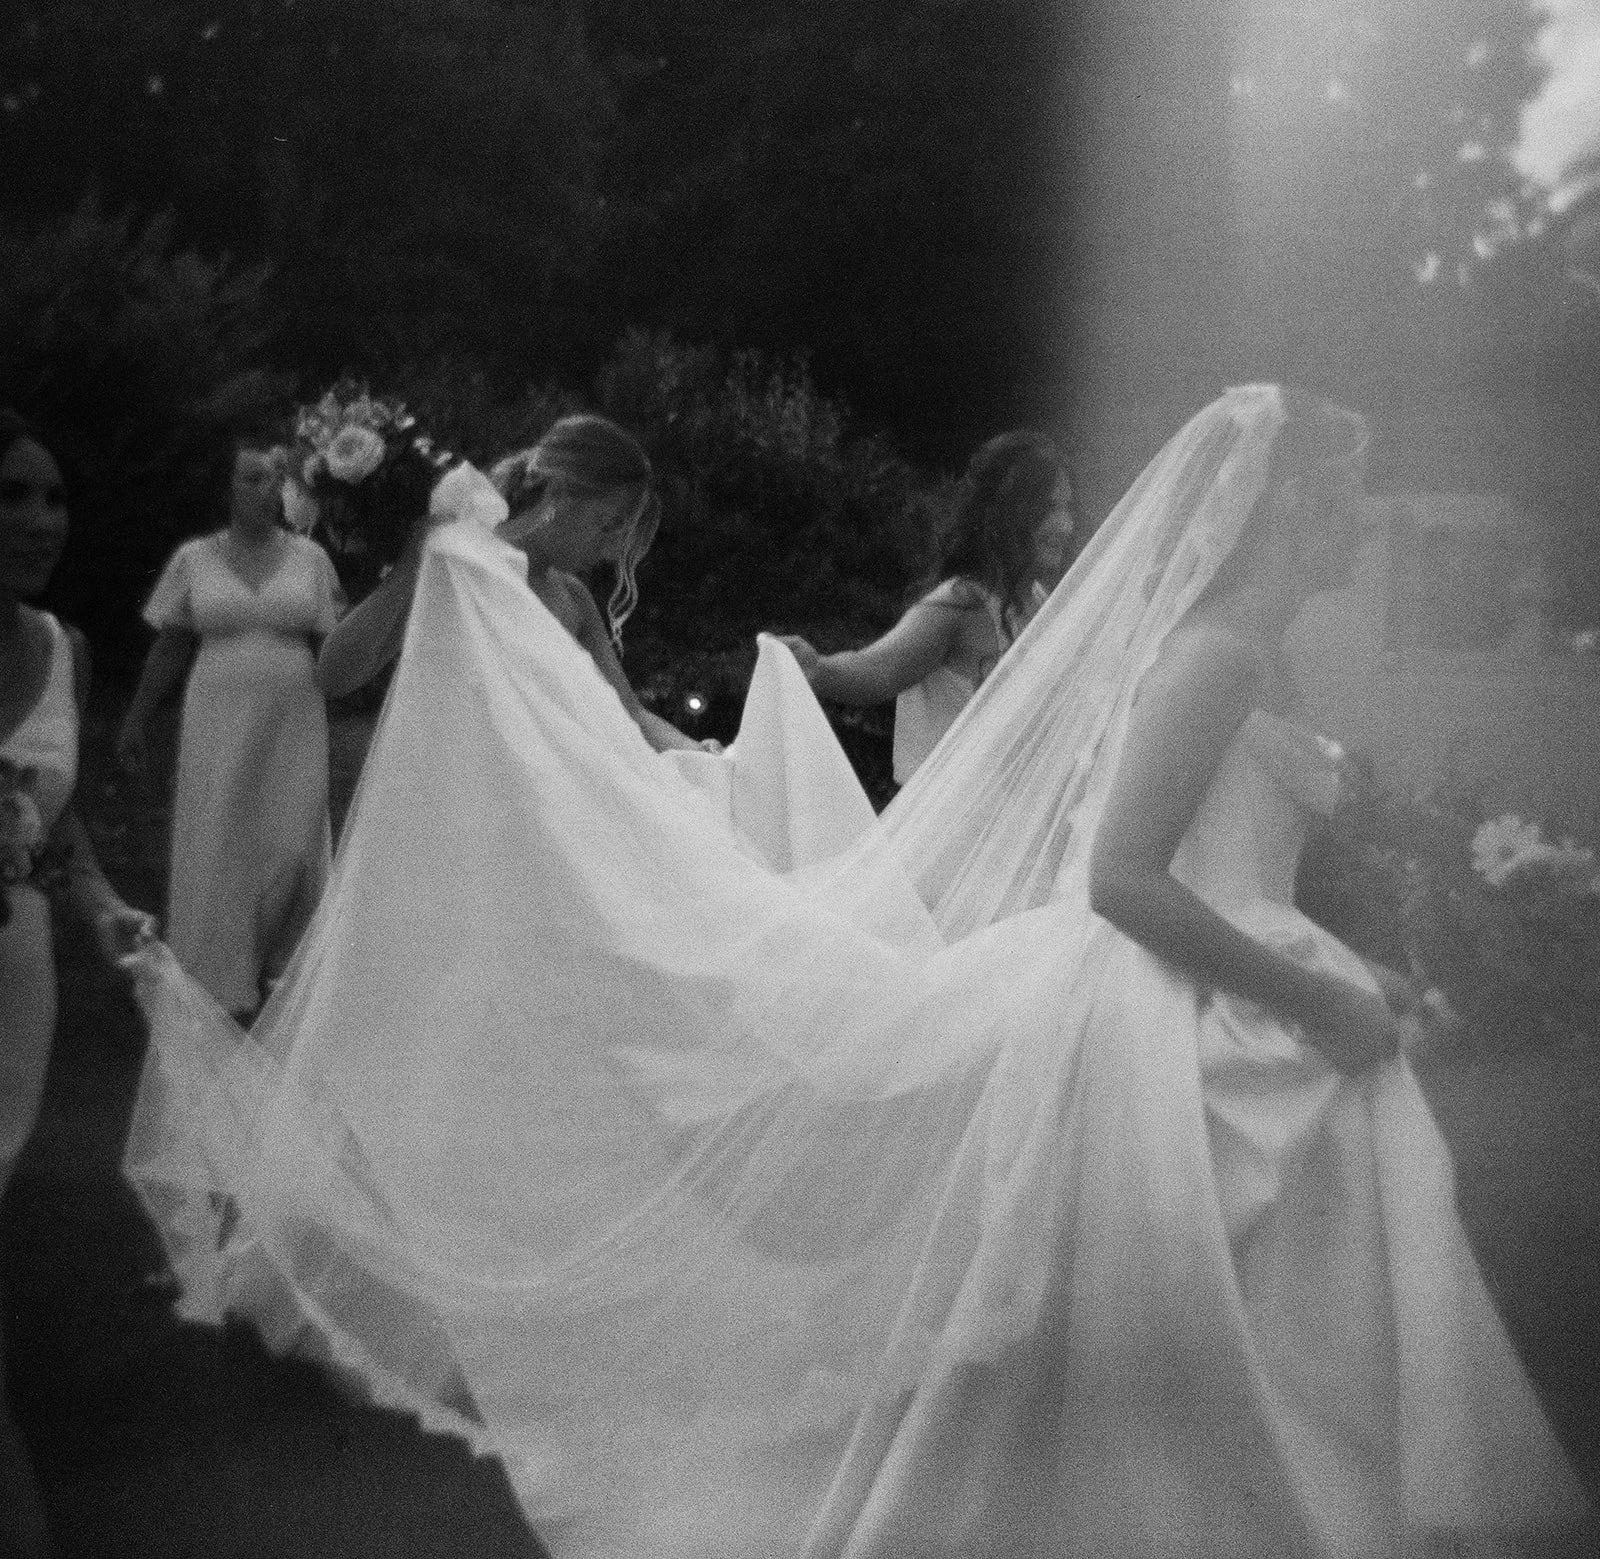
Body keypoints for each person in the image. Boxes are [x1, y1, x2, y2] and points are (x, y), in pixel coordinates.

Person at [123, 387, 1593, 1557]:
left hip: (1222, 994)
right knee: (1199, 1339)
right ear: (1283, 509)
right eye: (1342, 495)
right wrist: (1318, 995)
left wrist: (1347, 976)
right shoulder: (1213, 660)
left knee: (1217, 1333)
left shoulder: (1236, 655)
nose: (1354, 523)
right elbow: (1123, 876)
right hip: (1181, 1013)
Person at [1, 410, 157, 1556]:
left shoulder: (68, 647)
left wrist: (101, 903)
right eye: (12, 494)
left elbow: (62, 836)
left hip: (18, 989)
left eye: (53, 497)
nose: (40, 520)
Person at [315, 412, 711, 755]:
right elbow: (334, 675)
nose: (612, 552)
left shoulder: (572, 598)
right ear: (561, 493)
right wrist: (410, 568)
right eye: (608, 525)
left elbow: (632, 715)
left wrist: (698, 751)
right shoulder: (462, 567)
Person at [116, 436, 344, 1022]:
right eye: (251, 479)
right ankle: (221, 981)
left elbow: (339, 647)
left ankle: (289, 972)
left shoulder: (312, 560)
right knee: (222, 836)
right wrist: (137, 719)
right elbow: (170, 645)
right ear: (227, 489)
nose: (265, 490)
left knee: (294, 842)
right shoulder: (194, 558)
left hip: (294, 720)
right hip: (218, 717)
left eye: (274, 479)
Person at [778, 430, 1074, 782]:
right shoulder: (958, 605)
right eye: (1048, 509)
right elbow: (876, 671)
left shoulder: (1039, 600)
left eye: (1067, 507)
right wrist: (818, 667)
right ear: (1009, 515)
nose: (1065, 525)